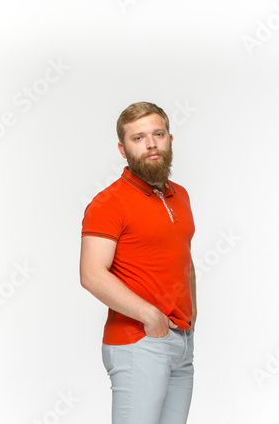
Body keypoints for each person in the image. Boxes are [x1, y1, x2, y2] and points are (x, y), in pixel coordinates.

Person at [80, 101, 197, 424]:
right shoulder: (109, 203)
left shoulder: (181, 195)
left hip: (181, 341)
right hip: (139, 341)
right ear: (123, 148)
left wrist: (192, 316)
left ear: (170, 139)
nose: (151, 143)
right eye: (138, 138)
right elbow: (91, 274)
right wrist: (151, 316)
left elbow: (184, 259)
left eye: (158, 134)